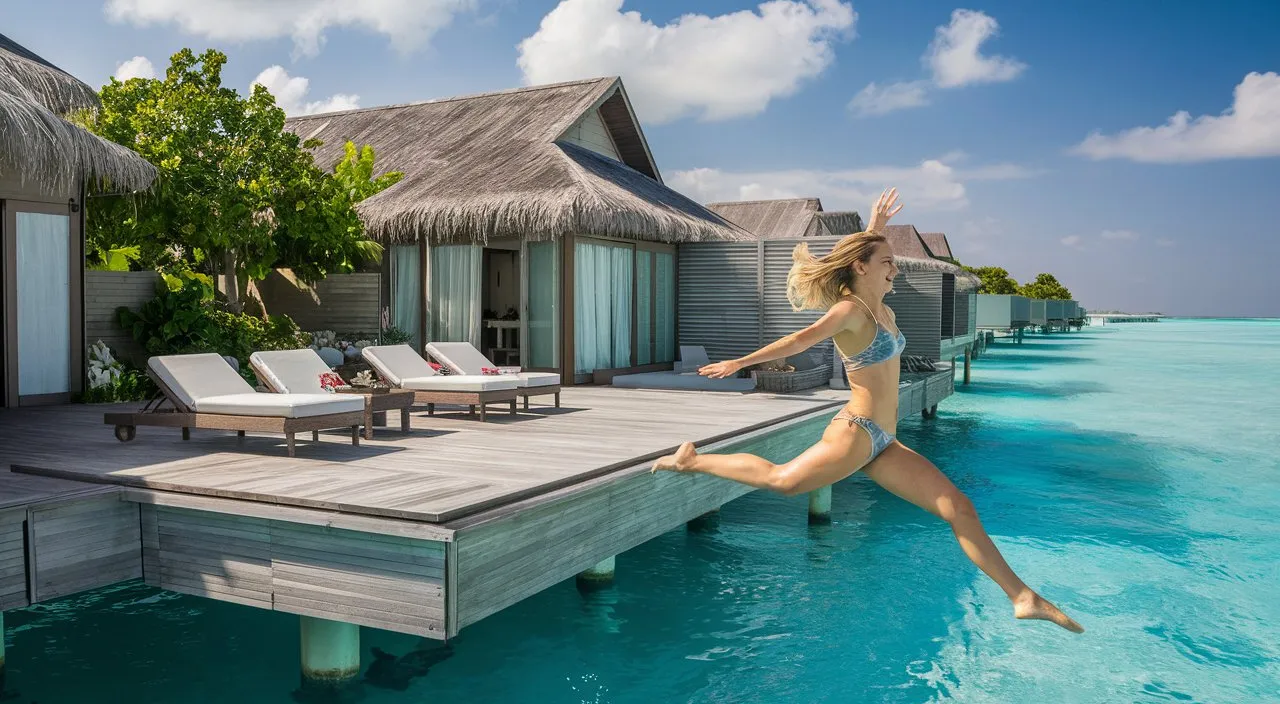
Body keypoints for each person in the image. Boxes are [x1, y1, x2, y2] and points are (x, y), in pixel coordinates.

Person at [652, 188, 1083, 634]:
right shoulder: (849, 311)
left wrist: (875, 225)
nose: (895, 268)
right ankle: (694, 460)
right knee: (784, 481)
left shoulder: (881, 307)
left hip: (885, 442)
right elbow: (801, 339)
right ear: (862, 268)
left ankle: (1022, 596)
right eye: (887, 263)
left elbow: (866, 253)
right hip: (856, 430)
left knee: (959, 507)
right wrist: (740, 362)